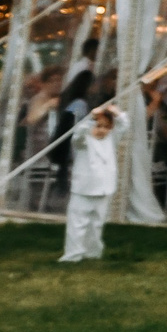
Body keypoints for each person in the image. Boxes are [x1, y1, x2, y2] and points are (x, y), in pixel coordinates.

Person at [60, 107, 117, 262]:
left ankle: (92, 252)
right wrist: (90, 118)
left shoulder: (110, 140)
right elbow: (78, 135)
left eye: (106, 127)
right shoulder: (84, 141)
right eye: (98, 126)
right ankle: (73, 254)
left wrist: (118, 113)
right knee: (77, 224)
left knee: (96, 224)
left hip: (103, 189)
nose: (102, 130)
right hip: (84, 189)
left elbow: (124, 125)